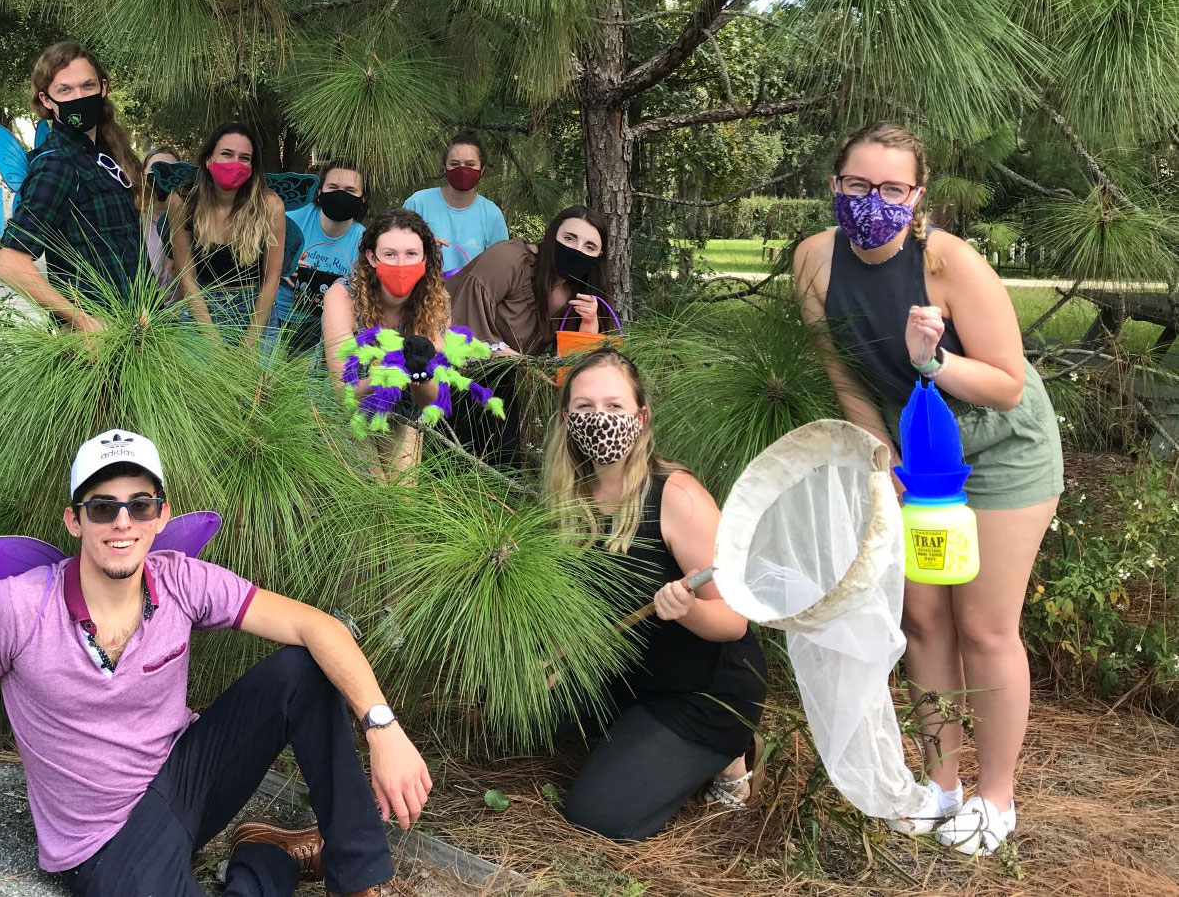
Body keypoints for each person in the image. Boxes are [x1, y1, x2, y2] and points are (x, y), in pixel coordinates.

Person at [0, 428, 430, 897]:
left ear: (161, 516)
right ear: (75, 519)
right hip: (101, 841)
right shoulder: (12, 609)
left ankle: (357, 878)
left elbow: (315, 626)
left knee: (301, 668)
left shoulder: (181, 578)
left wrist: (383, 726)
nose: (121, 522)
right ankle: (268, 863)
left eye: (139, 504)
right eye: (103, 506)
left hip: (182, 780)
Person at [792, 122, 1063, 856]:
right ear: (834, 186)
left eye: (891, 189)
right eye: (857, 186)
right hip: (915, 449)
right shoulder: (815, 261)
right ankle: (940, 782)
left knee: (982, 626)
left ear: (918, 196)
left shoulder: (947, 261)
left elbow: (1007, 384)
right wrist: (880, 460)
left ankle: (995, 796)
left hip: (1002, 451)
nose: (872, 202)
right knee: (924, 621)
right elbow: (843, 371)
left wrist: (934, 359)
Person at [544, 350, 766, 841]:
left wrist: (686, 612)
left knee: (600, 816)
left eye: (614, 407)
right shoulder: (566, 497)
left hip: (701, 689)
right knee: (524, 720)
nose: (598, 420)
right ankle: (643, 744)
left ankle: (728, 753)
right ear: (565, 419)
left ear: (640, 417)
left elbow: (733, 621)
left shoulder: (676, 495)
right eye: (583, 407)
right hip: (627, 678)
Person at [445, 204, 620, 466]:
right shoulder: (509, 259)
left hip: (503, 378)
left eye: (589, 247)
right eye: (569, 238)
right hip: (451, 368)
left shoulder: (579, 290)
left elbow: (573, 367)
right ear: (552, 235)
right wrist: (521, 362)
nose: (576, 250)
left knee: (503, 462)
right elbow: (461, 325)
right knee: (455, 459)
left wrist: (590, 322)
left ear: (599, 255)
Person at [0, 43, 144, 329]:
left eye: (87, 86)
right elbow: (11, 264)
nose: (79, 97)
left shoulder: (104, 155)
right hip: (98, 346)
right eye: (65, 90)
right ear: (47, 100)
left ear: (103, 88)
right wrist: (84, 323)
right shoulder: (57, 164)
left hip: (138, 331)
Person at [321, 210, 450, 476]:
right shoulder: (343, 297)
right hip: (343, 411)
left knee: (403, 500)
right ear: (372, 257)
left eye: (411, 254)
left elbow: (431, 401)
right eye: (390, 254)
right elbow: (342, 392)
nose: (401, 263)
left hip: (400, 411)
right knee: (370, 488)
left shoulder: (436, 303)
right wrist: (393, 369)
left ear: (425, 257)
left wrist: (422, 375)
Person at [167, 121, 286, 345]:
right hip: (201, 309)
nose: (235, 163)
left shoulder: (270, 206)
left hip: (255, 311)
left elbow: (272, 279)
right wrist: (213, 342)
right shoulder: (183, 201)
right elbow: (186, 276)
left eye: (244, 158)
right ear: (208, 159)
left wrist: (249, 344)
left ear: (252, 167)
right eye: (227, 154)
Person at [272, 160, 369, 354]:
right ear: (319, 191)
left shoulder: (364, 240)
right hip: (276, 319)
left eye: (350, 190)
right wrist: (279, 267)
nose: (340, 195)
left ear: (363, 198)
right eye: (332, 187)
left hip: (325, 330)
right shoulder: (289, 218)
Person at [401, 132, 508, 275]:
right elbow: (396, 248)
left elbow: (499, 267)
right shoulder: (418, 203)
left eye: (470, 164)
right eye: (454, 164)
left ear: (482, 170)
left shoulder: (492, 214)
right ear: (445, 168)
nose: (462, 169)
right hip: (422, 292)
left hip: (470, 295)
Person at [140, 145, 183, 304]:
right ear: (143, 177)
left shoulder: (192, 222)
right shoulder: (132, 222)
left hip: (183, 316)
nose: (160, 179)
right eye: (153, 172)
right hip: (142, 316)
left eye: (168, 172)